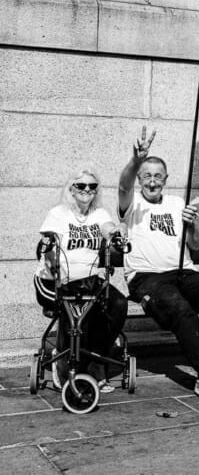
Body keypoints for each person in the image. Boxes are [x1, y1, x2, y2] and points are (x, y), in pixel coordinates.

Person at [118, 127, 199, 405]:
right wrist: (136, 160)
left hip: (183, 272)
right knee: (180, 308)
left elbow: (196, 243)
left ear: (166, 179)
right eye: (146, 176)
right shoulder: (133, 203)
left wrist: (192, 224)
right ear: (140, 178)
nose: (152, 182)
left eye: (158, 176)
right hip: (146, 278)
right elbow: (123, 186)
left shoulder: (177, 203)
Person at [34, 164, 128, 391]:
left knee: (117, 303)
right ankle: (62, 362)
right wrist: (52, 257)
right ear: (72, 188)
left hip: (88, 280)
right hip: (54, 280)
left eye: (92, 186)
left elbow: (106, 228)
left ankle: (96, 362)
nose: (87, 190)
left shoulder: (99, 214)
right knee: (74, 306)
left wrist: (116, 231)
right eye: (81, 185)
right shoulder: (59, 213)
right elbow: (47, 244)